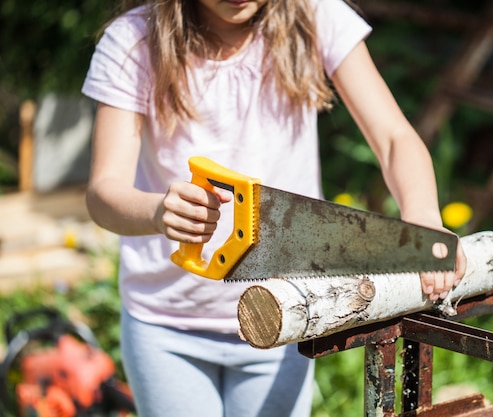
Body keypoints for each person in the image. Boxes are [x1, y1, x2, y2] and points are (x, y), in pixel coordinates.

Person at [81, 0, 467, 416]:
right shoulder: (134, 41)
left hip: (281, 313)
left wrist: (425, 221)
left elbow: (393, 138)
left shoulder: (316, 15)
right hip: (166, 327)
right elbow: (105, 191)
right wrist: (158, 212)